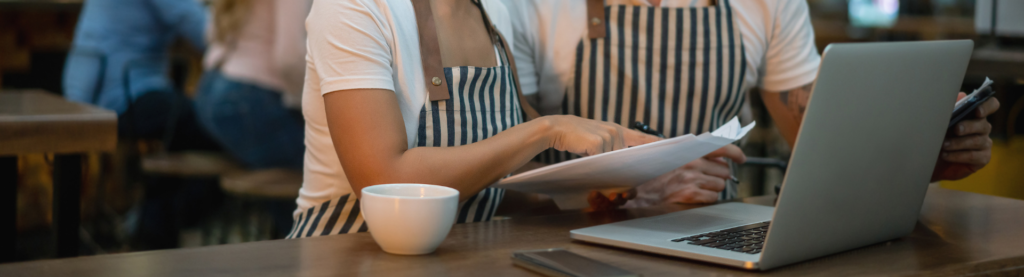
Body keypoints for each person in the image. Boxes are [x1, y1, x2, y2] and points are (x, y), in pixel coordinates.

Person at [505, 0, 999, 207]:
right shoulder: (527, 6)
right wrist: (619, 194)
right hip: (574, 243)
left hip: (716, 237)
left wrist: (920, 160)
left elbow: (824, 154)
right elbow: (499, 185)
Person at [290, 0, 661, 238]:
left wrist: (582, 194)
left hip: (459, 254)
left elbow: (487, 186)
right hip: (346, 251)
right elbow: (384, 181)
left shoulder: (494, 13)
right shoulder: (353, 8)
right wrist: (547, 129)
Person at [195, 0, 313, 238]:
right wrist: (312, 108)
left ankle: (283, 250)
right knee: (323, 175)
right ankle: (300, 258)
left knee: (285, 179)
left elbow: (210, 34)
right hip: (250, 101)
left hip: (211, 89)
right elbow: (289, 58)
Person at [63, 0, 216, 151]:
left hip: (92, 94)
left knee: (198, 117)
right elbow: (205, 32)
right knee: (214, 123)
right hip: (125, 97)